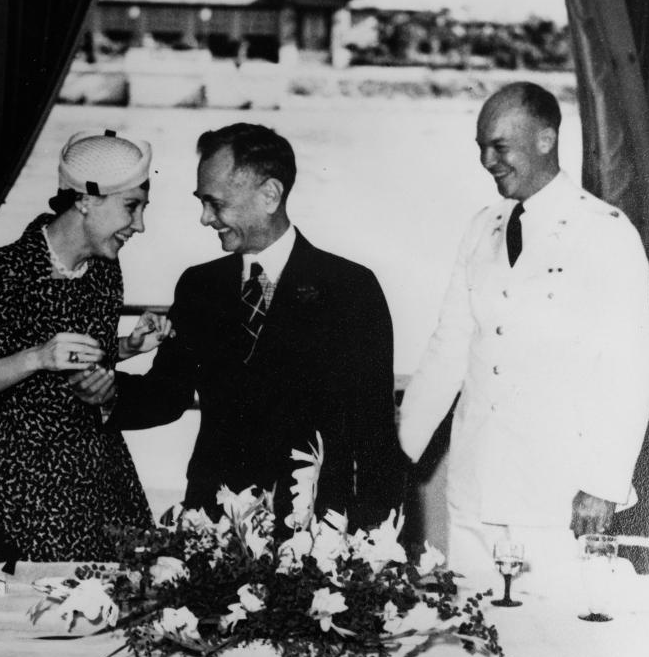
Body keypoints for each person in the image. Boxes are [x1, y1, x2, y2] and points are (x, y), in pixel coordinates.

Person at [73, 123, 405, 529]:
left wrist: (375, 540)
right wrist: (107, 394)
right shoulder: (199, 285)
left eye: (216, 203)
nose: (204, 218)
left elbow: (374, 433)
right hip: (214, 521)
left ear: (270, 194)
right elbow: (166, 396)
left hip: (315, 529)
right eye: (202, 203)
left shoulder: (351, 289)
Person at [397, 82, 649, 580]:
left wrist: (603, 483)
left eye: (498, 146)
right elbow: (449, 348)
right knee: (474, 638)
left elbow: (632, 369)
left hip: (556, 498)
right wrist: (397, 455)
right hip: (475, 490)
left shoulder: (604, 232)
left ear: (545, 139)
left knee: (549, 642)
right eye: (480, 148)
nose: (487, 161)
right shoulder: (481, 228)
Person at [0, 130, 171, 561]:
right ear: (85, 200)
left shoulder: (104, 272)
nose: (140, 226)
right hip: (32, 484)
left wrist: (128, 346)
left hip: (103, 472)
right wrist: (37, 357)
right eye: (131, 207)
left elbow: (80, 355)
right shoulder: (1, 274)